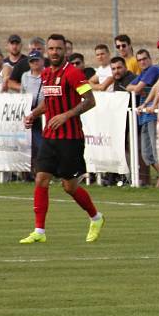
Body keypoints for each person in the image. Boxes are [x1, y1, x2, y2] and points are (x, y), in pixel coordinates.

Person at [19, 34, 105, 244]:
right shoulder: (46, 74)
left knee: (69, 187)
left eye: (58, 49)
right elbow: (49, 103)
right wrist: (33, 114)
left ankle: (96, 217)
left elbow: (90, 100)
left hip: (70, 138)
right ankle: (39, 231)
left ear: (64, 51)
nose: (55, 52)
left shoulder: (74, 74)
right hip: (50, 136)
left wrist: (66, 115)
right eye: (51, 49)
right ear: (46, 51)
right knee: (41, 179)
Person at [126, 50, 159, 187]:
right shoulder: (142, 74)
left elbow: (135, 89)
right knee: (147, 154)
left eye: (145, 59)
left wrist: (138, 88)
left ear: (150, 59)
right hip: (144, 116)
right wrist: (138, 87)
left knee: (155, 150)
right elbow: (129, 87)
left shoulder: (153, 70)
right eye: (140, 60)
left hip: (153, 114)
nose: (142, 62)